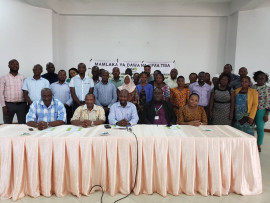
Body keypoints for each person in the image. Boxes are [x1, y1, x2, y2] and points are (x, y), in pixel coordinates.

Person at [0, 59, 27, 124]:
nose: (15, 65)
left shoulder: (23, 78)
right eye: (13, 64)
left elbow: (26, 92)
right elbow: (1, 93)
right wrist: (3, 106)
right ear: (9, 66)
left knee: (23, 124)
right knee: (7, 124)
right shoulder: (4, 78)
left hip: (22, 105)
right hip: (8, 105)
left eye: (17, 64)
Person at [252, 71, 270, 152]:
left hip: (262, 110)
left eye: (263, 78)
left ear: (266, 79)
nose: (260, 79)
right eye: (259, 78)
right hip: (252, 110)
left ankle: (259, 145)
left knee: (259, 128)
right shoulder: (252, 87)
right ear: (256, 78)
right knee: (250, 127)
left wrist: (266, 114)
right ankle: (250, 144)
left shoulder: (268, 89)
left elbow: (269, 102)